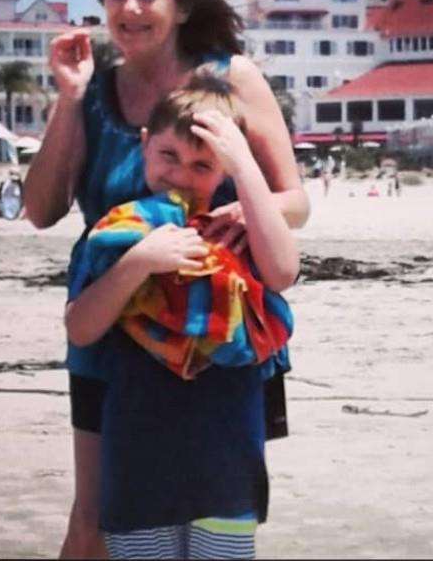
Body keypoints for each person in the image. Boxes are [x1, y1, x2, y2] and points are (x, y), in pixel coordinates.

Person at [23, 0, 308, 560]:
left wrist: (243, 205)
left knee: (213, 522)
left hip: (217, 335)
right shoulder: (93, 92)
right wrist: (69, 99)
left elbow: (296, 201)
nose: (129, 9)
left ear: (180, 3)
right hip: (112, 333)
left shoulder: (233, 80)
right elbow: (41, 209)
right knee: (91, 522)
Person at [65, 76, 298, 559]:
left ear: (224, 173)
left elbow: (283, 270)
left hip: (227, 465)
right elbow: (80, 328)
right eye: (168, 155)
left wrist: (247, 168)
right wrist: (140, 262)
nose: (180, 175)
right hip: (137, 467)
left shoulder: (236, 232)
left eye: (202, 165)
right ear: (145, 145)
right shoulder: (119, 232)